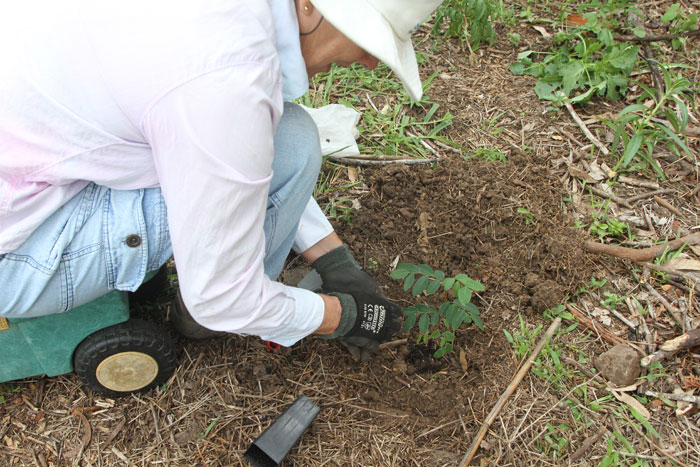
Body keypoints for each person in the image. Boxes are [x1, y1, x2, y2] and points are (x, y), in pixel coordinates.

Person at [0, 0, 443, 360]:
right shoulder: (226, 72)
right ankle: (219, 319)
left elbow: (237, 152)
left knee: (286, 135)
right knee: (291, 141)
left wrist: (333, 261)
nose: (367, 62)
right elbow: (220, 293)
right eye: (368, 40)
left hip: (31, 166)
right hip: (17, 256)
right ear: (308, 6)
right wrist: (343, 316)